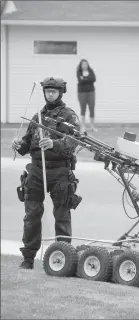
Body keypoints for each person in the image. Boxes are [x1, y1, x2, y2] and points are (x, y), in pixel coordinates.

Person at [12, 77, 82, 269]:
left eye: (54, 91)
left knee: (62, 214)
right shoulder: (37, 117)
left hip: (59, 171)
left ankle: (64, 259)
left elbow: (75, 140)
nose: (50, 94)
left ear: (61, 92)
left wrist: (54, 144)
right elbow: (26, 145)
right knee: (32, 214)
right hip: (35, 170)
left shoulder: (69, 116)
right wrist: (19, 146)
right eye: (48, 91)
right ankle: (28, 258)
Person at [77, 59, 97, 132]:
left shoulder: (90, 70)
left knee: (92, 108)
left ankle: (92, 126)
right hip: (81, 93)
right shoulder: (79, 72)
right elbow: (80, 80)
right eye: (83, 64)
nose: (85, 65)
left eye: (86, 64)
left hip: (91, 92)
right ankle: (83, 126)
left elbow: (93, 79)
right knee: (83, 109)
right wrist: (88, 79)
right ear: (81, 65)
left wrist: (84, 78)